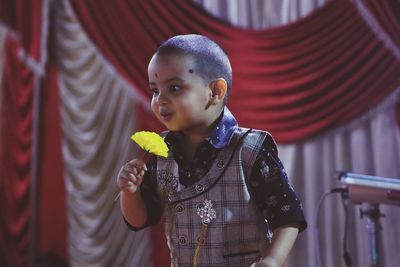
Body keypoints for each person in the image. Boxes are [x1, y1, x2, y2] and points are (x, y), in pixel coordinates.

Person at [117, 34, 307, 267]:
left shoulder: (249, 149)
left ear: (216, 91)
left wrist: (272, 260)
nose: (160, 100)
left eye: (174, 88)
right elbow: (140, 219)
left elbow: (288, 216)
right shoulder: (159, 152)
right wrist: (129, 192)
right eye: (155, 90)